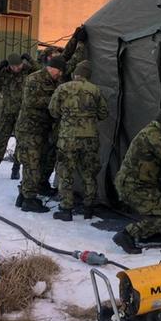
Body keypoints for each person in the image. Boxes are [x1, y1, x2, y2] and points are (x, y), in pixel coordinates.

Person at [112, 107, 161, 254]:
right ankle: (126, 235)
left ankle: (147, 233)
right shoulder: (153, 136)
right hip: (133, 186)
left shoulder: (156, 134)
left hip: (141, 183)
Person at [48, 61, 108, 221]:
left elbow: (53, 111)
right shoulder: (95, 90)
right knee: (89, 173)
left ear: (76, 74)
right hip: (90, 138)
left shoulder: (63, 88)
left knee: (65, 172)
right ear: (88, 76)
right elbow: (103, 114)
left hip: (68, 138)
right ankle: (89, 208)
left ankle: (66, 209)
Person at [14, 57, 66, 212]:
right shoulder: (34, 79)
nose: (61, 74)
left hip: (43, 129)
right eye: (60, 71)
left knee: (42, 161)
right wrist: (55, 100)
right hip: (29, 129)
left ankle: (27, 193)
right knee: (31, 163)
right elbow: (31, 101)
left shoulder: (55, 81)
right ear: (53, 68)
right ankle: (29, 200)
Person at [0, 53, 39, 180]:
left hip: (22, 113)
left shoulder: (28, 71)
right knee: (0, 140)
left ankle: (15, 169)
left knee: (20, 141)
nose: (17, 68)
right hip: (6, 112)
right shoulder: (4, 72)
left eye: (19, 65)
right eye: (14, 66)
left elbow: (42, 73)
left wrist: (31, 60)